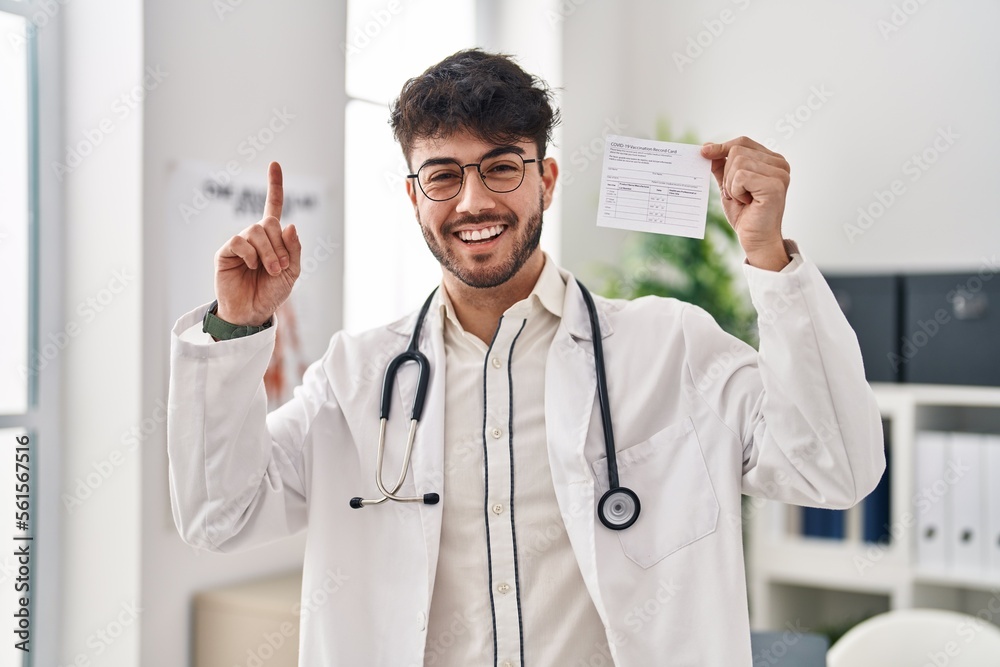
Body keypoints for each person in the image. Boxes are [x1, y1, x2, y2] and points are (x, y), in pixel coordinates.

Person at [168, 49, 885, 666]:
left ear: (545, 178)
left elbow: (836, 466)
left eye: (502, 167)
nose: (473, 199)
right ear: (414, 196)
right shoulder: (356, 378)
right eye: (443, 175)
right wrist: (237, 327)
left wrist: (768, 257)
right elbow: (220, 516)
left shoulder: (671, 347)